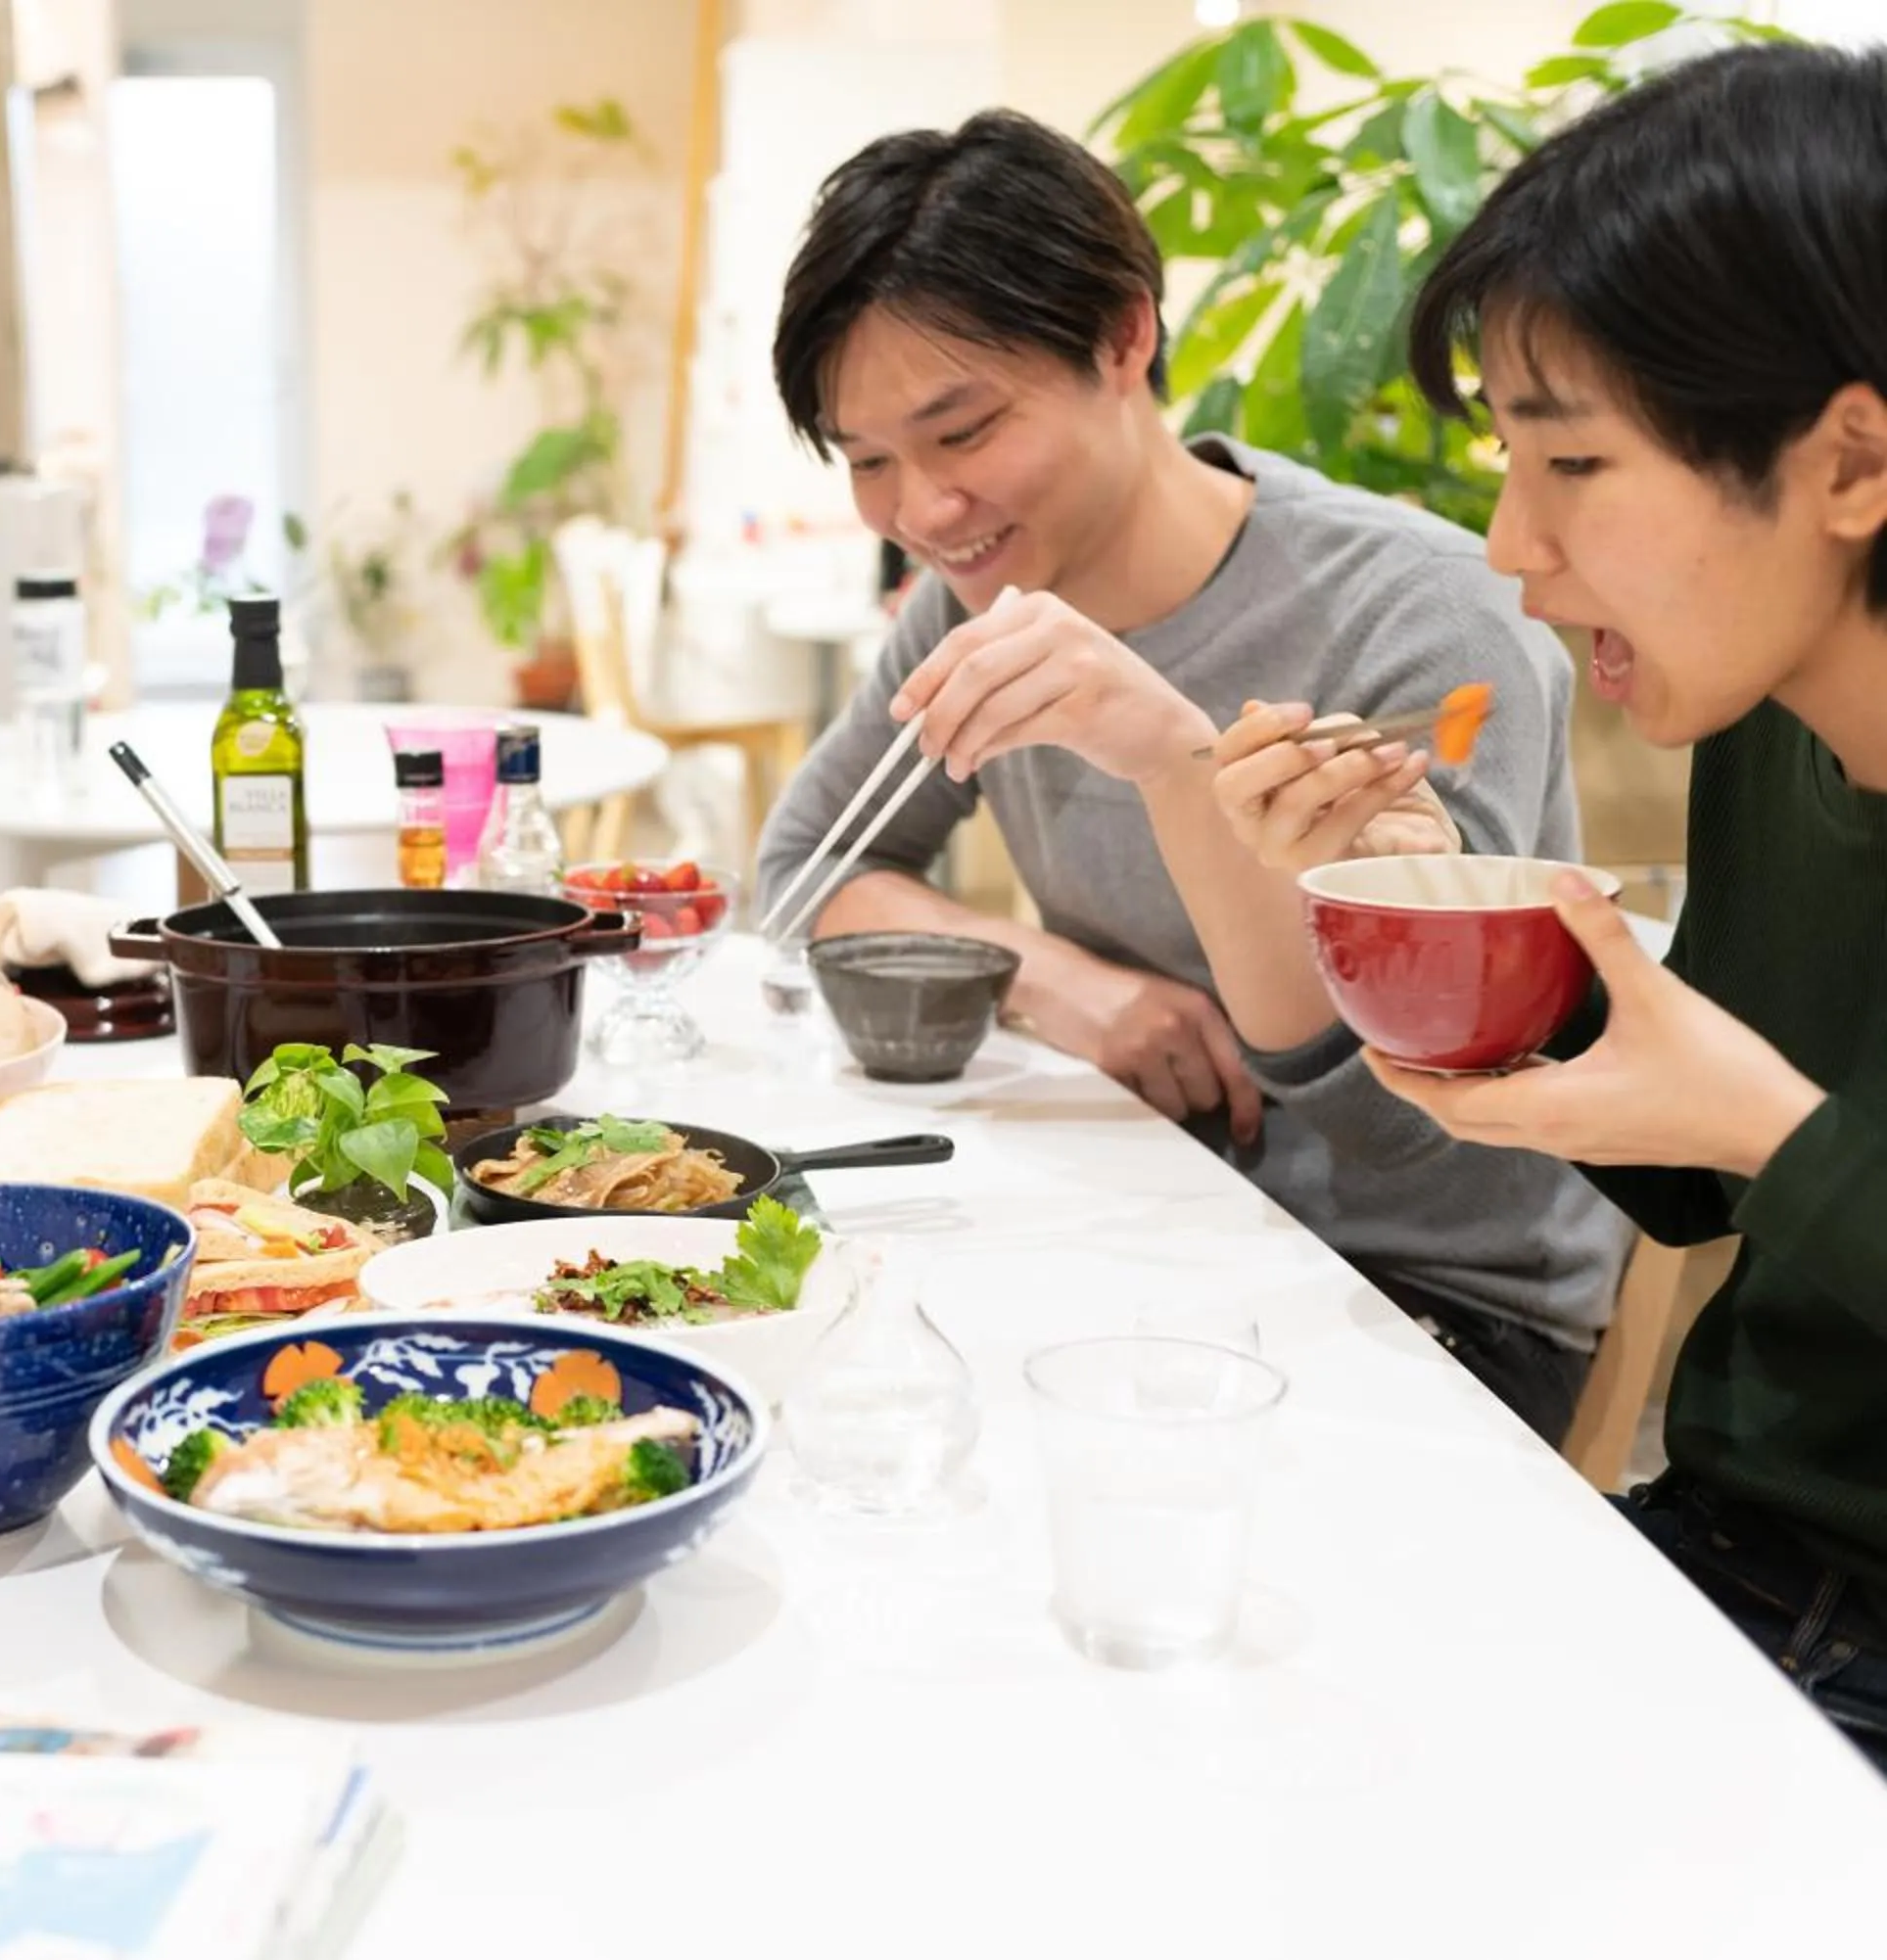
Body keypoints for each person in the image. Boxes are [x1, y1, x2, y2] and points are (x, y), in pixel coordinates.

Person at [1209, 43, 1887, 1771]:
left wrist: (1768, 1123)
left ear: (1850, 461)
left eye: (1571, 465)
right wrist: (1463, 930)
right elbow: (1692, 1159)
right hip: (1722, 1562)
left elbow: (1759, 1136)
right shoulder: (1771, 730)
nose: (1511, 547)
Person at [755, 110, 1629, 1442]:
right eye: (869, 461)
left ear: (1124, 337)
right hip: (1142, 1225)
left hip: (1421, 1292)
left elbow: (1410, 1124)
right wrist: (1068, 985)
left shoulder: (1426, 618)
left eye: (964, 429)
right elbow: (807, 876)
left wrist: (1177, 761)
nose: (923, 511)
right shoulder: (980, 602)